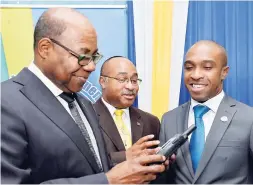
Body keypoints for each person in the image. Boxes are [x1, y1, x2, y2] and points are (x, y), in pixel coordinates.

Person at [1, 8, 168, 184]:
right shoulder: (7, 102)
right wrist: (109, 181)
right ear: (45, 48)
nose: (91, 67)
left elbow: (92, 164)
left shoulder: (83, 103)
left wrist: (133, 162)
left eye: (93, 57)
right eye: (83, 56)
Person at [154, 40, 253, 184]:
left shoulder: (248, 118)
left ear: (224, 72)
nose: (195, 75)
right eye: (189, 67)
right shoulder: (169, 119)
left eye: (207, 67)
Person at [93, 56, 161, 166]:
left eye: (134, 81)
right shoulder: (87, 117)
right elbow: (87, 163)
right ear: (103, 82)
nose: (130, 86)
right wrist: (126, 156)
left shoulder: (151, 122)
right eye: (122, 80)